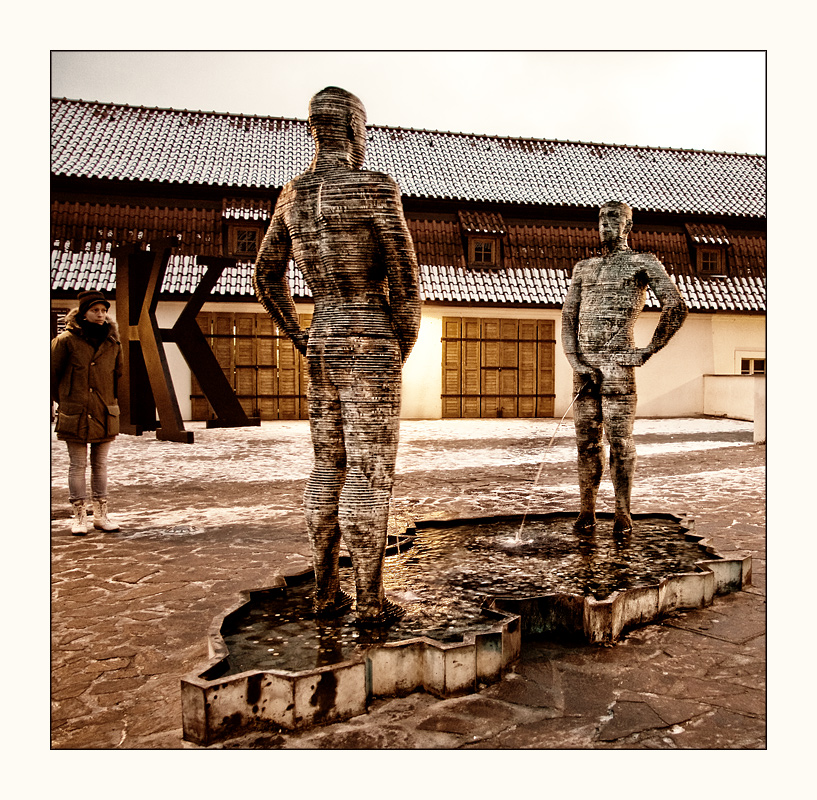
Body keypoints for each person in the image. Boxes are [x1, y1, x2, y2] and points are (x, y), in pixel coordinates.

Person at [253, 87, 421, 625]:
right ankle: (370, 602)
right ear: (353, 129)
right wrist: (399, 345)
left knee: (327, 467)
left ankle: (326, 591)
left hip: (323, 332)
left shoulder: (293, 196)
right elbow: (405, 279)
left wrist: (299, 334)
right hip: (369, 329)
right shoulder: (374, 188)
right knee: (370, 474)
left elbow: (265, 275)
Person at [561, 201, 688, 534]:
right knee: (585, 443)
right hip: (584, 369)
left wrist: (647, 350)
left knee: (620, 441)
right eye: (601, 218)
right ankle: (586, 510)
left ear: (628, 226)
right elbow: (568, 318)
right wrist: (575, 360)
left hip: (618, 366)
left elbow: (675, 306)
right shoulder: (584, 268)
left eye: (613, 218)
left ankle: (622, 511)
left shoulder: (642, 263)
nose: (605, 224)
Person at [51, 290, 123, 535]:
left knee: (100, 465)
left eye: (104, 310)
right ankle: (79, 516)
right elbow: (52, 375)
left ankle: (101, 515)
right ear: (84, 313)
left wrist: (112, 404)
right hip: (75, 412)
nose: (101, 315)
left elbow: (118, 377)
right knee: (77, 465)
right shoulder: (66, 340)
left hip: (104, 412)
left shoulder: (113, 343)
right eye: (95, 310)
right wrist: (66, 401)